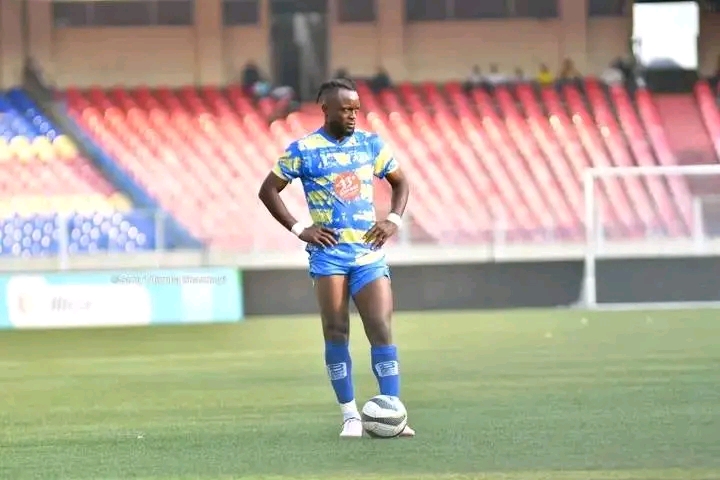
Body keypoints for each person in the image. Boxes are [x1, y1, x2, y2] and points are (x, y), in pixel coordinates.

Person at [258, 78, 414, 439]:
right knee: (336, 331)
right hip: (328, 257)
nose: (353, 115)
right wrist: (300, 228)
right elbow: (268, 190)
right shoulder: (304, 150)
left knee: (381, 328)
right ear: (326, 109)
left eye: (356, 109)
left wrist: (392, 220)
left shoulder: (371, 144)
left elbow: (401, 182)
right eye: (345, 109)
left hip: (367, 254)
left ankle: (393, 411)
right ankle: (350, 416)